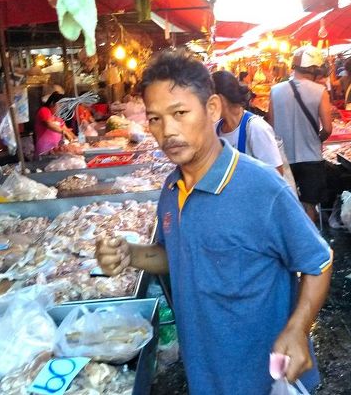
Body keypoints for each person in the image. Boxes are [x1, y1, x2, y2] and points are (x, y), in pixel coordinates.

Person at [95, 50, 332, 395]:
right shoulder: (171, 189)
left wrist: (298, 328)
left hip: (267, 375)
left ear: (212, 110)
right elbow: (178, 255)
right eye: (156, 119)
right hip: (206, 371)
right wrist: (130, 254)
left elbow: (319, 262)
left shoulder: (261, 188)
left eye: (179, 113)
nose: (168, 131)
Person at [270, 46, 333, 222]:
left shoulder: (275, 91)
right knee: (309, 206)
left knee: (286, 204)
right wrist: (314, 140)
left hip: (283, 158)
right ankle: (307, 244)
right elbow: (327, 128)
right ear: (314, 69)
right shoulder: (320, 92)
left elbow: (271, 127)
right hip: (311, 158)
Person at [211, 70, 284, 175]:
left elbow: (276, 173)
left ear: (220, 99)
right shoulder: (215, 129)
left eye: (208, 100)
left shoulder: (255, 128)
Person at [34, 91, 75, 158]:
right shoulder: (44, 110)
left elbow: (66, 129)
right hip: (44, 150)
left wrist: (75, 139)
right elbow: (48, 124)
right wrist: (63, 132)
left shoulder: (57, 117)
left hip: (55, 150)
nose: (62, 108)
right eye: (61, 105)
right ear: (52, 103)